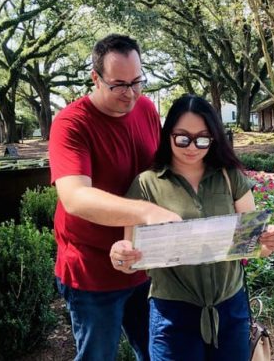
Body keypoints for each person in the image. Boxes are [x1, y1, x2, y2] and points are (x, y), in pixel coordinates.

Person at [110, 94, 274, 361]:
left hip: (230, 309)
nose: (192, 147)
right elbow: (130, 258)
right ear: (168, 134)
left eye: (202, 139)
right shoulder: (147, 184)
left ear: (214, 138)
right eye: (182, 137)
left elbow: (255, 246)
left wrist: (272, 240)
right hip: (173, 315)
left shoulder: (230, 177)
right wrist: (121, 254)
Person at [49, 34, 181, 361]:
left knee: (157, 353)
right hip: (92, 271)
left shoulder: (147, 109)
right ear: (95, 78)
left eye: (138, 81)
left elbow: (162, 171)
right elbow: (75, 198)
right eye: (119, 85)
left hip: (143, 262)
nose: (131, 93)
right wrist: (146, 212)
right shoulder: (70, 123)